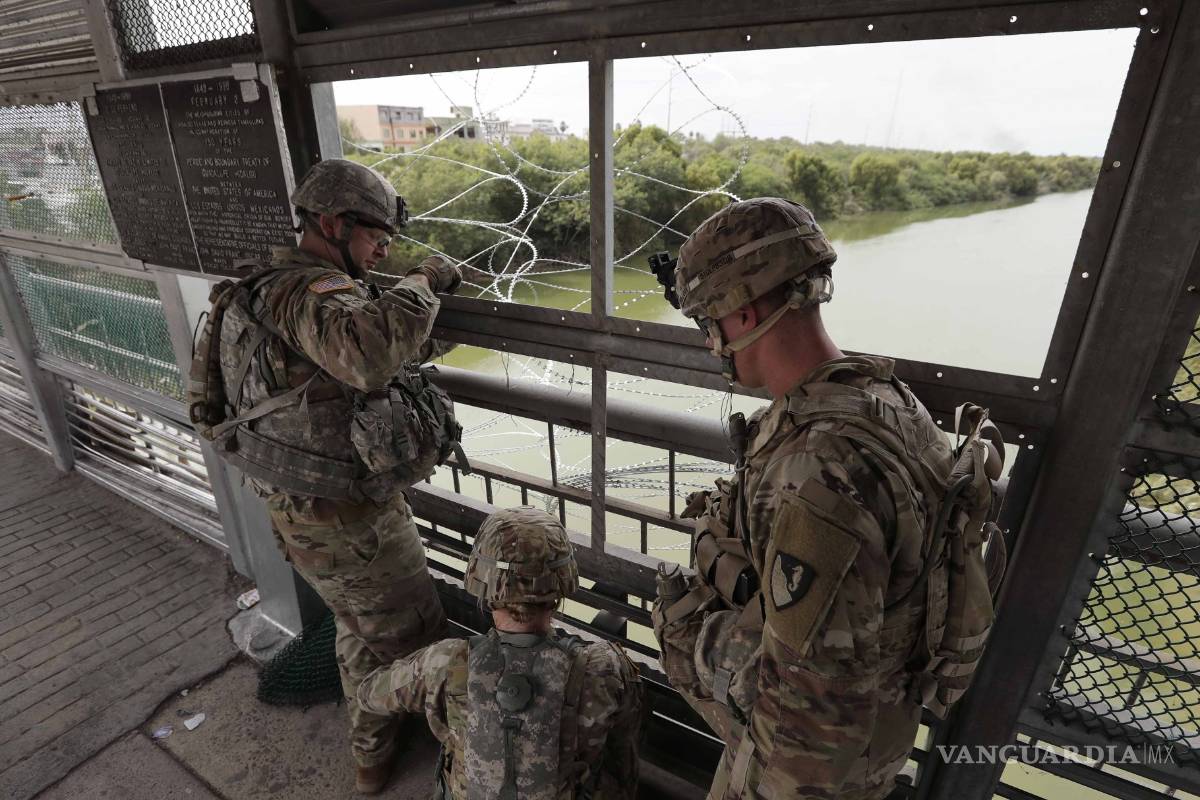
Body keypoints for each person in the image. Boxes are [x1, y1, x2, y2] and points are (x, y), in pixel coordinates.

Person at [651, 197, 1002, 799]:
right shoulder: (886, 397)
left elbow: (807, 741)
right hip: (868, 732)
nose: (710, 340)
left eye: (708, 320)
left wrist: (697, 639)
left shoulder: (819, 473)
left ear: (746, 310)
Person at [190, 158, 465, 793]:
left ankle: (370, 761)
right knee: (419, 643)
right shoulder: (306, 291)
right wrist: (424, 279)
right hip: (347, 520)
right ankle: (464, 762)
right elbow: (367, 355)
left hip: (306, 508)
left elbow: (350, 354)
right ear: (333, 224)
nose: (381, 251)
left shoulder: (270, 286)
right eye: (375, 238)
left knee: (359, 632)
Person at [358, 506, 645, 800]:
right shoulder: (605, 669)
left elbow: (369, 693)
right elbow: (625, 757)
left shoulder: (444, 663)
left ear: (482, 581)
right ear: (563, 583)